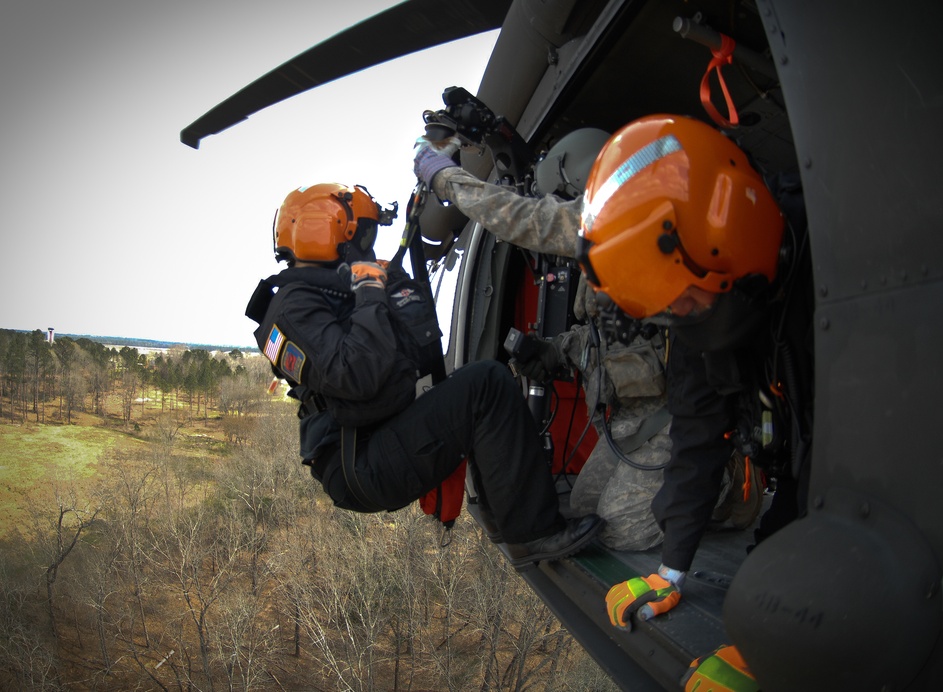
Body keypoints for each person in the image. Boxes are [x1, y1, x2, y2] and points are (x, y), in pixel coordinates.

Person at [413, 128, 764, 552]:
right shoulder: (604, 257)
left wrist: (443, 176)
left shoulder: (628, 227)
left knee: (618, 531)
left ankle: (726, 482)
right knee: (582, 513)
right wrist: (555, 349)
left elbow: (516, 217)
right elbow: (607, 335)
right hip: (625, 421)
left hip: (672, 420)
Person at [244, 182, 603, 571]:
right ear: (327, 232)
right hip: (357, 462)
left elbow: (418, 351)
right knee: (487, 385)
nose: (369, 246)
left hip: (380, 436)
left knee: (480, 384)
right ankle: (532, 535)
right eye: (363, 234)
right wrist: (368, 293)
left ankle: (510, 523)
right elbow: (357, 376)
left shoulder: (335, 292)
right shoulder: (291, 309)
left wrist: (391, 289)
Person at [573, 115, 811, 665]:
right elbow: (699, 432)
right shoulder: (698, 317)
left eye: (681, 299)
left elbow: (848, 471)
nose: (677, 314)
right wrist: (671, 569)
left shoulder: (830, 290)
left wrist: (775, 641)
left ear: (729, 243)